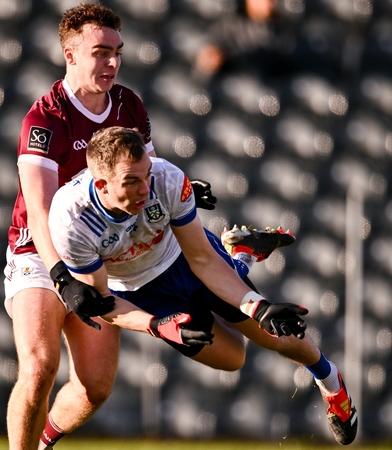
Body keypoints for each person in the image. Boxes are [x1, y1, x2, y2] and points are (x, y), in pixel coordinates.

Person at [49, 127, 359, 446]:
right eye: (131, 182)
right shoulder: (71, 222)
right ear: (101, 185)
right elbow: (104, 303)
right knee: (233, 359)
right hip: (142, 293)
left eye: (147, 175)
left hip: (186, 259)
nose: (145, 189)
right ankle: (242, 253)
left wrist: (259, 306)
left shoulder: (167, 179)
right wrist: (156, 326)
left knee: (273, 337)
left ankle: (331, 380)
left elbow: (204, 260)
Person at [2, 5, 217, 450]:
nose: (113, 63)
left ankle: (42, 442)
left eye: (118, 52)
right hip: (40, 255)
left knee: (95, 388)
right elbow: (39, 213)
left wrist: (184, 190)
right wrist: (61, 275)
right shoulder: (45, 119)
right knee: (40, 367)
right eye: (101, 52)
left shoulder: (129, 105)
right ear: (70, 53)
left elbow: (149, 176)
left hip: (100, 255)